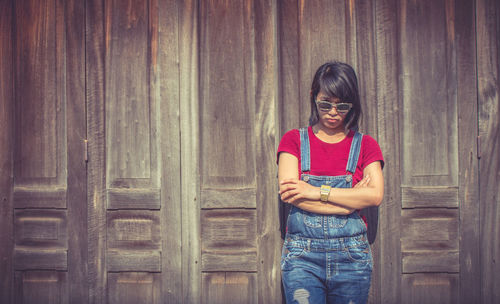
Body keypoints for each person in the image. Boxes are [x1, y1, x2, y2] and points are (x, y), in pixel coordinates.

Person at [277, 61, 384, 304]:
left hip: (352, 257)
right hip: (302, 258)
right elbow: (289, 194)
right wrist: (350, 204)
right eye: (325, 104)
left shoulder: (366, 145)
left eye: (342, 106)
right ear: (313, 96)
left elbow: (375, 196)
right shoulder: (293, 141)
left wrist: (314, 192)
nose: (333, 112)